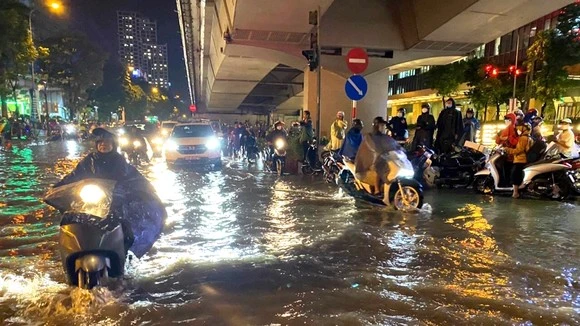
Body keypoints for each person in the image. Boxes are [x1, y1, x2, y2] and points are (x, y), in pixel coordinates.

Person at [52, 128, 166, 255]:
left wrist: (140, 190)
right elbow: (74, 175)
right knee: (70, 218)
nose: (103, 145)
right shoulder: (89, 160)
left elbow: (131, 178)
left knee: (124, 224)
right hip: (91, 200)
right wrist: (57, 188)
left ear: (113, 145)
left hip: (115, 200)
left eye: (107, 143)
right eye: (100, 143)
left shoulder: (120, 161)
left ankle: (124, 252)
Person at [355, 116, 402, 195]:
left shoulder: (383, 136)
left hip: (381, 159)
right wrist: (379, 152)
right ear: (377, 125)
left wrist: (399, 149)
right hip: (370, 161)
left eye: (384, 125)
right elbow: (373, 147)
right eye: (382, 125)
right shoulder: (370, 137)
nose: (383, 127)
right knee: (378, 168)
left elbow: (390, 143)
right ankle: (377, 189)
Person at [505, 122, 533, 198]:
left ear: (523, 129)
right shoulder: (528, 137)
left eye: (519, 128)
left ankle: (515, 192)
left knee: (514, 176)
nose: (518, 130)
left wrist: (507, 150)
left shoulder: (523, 138)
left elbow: (518, 150)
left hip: (520, 159)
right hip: (523, 159)